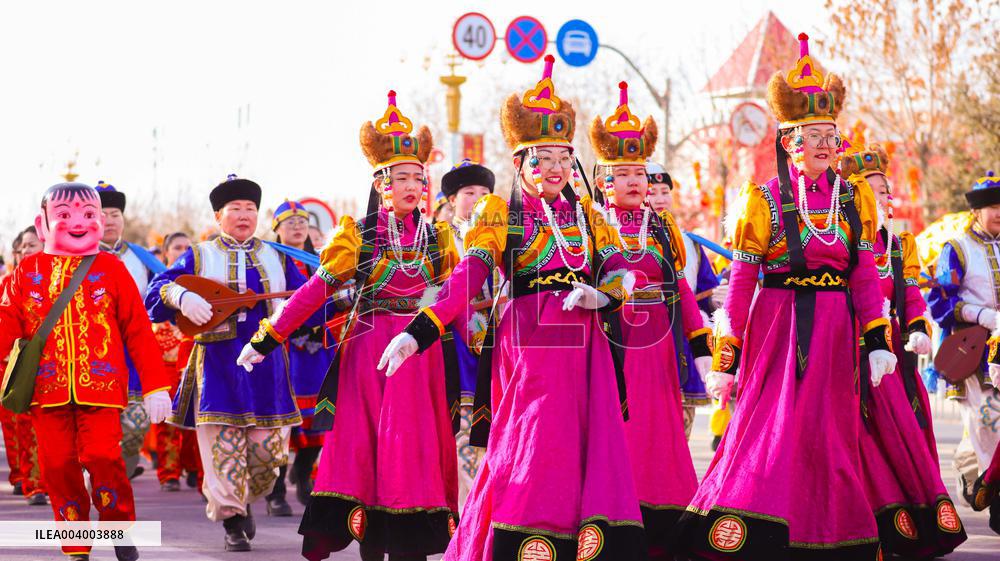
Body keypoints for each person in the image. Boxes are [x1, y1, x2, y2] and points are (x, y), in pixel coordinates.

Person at [379, 55, 647, 561]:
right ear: (522, 162)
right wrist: (419, 331)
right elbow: (467, 278)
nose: (556, 169)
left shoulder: (589, 214)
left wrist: (605, 294)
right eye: (544, 158)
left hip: (586, 344)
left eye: (564, 159)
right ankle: (523, 543)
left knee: (590, 448)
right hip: (531, 346)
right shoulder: (501, 212)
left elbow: (617, 270)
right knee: (535, 445)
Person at [674, 34, 897, 560]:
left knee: (832, 435)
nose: (823, 144)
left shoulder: (853, 197)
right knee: (771, 432)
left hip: (837, 331)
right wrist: (727, 358)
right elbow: (741, 286)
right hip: (779, 330)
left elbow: (864, 277)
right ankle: (754, 531)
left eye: (830, 134)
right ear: (789, 141)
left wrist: (878, 339)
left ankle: (828, 535)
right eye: (811, 135)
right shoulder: (764, 200)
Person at [238, 91, 460, 561]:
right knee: (366, 450)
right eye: (401, 178)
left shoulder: (439, 238)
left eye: (418, 178)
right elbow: (315, 291)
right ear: (381, 183)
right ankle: (370, 539)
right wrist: (267, 337)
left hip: (421, 355)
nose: (411, 186)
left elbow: (455, 298)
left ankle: (410, 542)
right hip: (369, 353)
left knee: (413, 450)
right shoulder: (355, 235)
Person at [0, 182, 172, 561]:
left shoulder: (112, 268)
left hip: (103, 388)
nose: (78, 222)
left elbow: (138, 331)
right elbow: (5, 332)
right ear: (42, 223)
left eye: (88, 215)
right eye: (65, 216)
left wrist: (157, 386)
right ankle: (76, 542)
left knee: (102, 458)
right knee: (58, 465)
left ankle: (119, 525)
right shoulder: (25, 273)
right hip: (45, 391)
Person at [146, 175, 305, 552]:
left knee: (268, 455)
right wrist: (182, 296)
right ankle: (232, 519)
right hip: (218, 368)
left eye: (250, 208)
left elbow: (310, 299)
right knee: (223, 453)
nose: (244, 214)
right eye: (235, 209)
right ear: (219, 216)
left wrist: (324, 301)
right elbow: (158, 290)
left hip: (268, 369)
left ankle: (249, 497)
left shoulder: (277, 254)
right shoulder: (200, 255)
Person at [591, 81, 712, 559]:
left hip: (659, 352)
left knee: (661, 442)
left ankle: (662, 534)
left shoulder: (661, 227)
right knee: (617, 439)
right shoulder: (589, 224)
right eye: (623, 174)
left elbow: (681, 289)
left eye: (639, 172)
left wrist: (703, 351)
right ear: (604, 180)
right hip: (612, 348)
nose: (634, 182)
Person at [842, 142, 966, 556]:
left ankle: (904, 524)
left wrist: (917, 328)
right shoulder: (834, 244)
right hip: (843, 355)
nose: (880, 199)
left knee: (897, 439)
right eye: (870, 191)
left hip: (891, 358)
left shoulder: (899, 245)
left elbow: (911, 295)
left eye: (883, 191)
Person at [929, 169, 1000, 506]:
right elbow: (940, 300)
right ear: (976, 211)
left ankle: (971, 473)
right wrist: (981, 314)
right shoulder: (956, 248)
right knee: (988, 419)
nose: (998, 211)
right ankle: (994, 496)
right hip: (975, 351)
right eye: (991, 206)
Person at [645, 161, 726, 443]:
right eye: (651, 190)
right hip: (641, 337)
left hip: (682, 340)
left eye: (664, 191)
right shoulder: (616, 231)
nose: (658, 198)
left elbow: (705, 293)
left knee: (678, 435)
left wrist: (718, 301)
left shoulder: (689, 243)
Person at [266, 200, 335, 512]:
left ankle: (304, 474)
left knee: (320, 418)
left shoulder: (321, 262)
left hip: (316, 351)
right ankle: (276, 489)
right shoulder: (269, 261)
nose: (297, 227)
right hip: (280, 350)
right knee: (281, 423)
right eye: (289, 222)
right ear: (277, 228)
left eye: (302, 221)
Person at [438, 159, 495, 513]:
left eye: (485, 193)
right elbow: (430, 295)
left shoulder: (507, 235)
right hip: (457, 346)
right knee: (465, 433)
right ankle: (468, 514)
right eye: (469, 193)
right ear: (451, 201)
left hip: (501, 337)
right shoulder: (438, 239)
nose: (477, 199)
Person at [96, 181, 158, 480]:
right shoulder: (76, 258)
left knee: (136, 424)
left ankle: (123, 462)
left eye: (115, 214)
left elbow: (164, 292)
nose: (109, 220)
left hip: (133, 354)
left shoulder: (142, 258)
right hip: (92, 354)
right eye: (102, 213)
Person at [148, 232, 204, 493]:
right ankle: (169, 473)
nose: (182, 251)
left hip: (195, 358)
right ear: (166, 252)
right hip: (163, 362)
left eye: (186, 247)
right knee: (166, 420)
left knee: (198, 418)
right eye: (177, 247)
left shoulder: (202, 284)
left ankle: (195, 468)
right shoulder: (157, 284)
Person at [0, 226, 47, 505]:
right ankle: (31, 482)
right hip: (15, 366)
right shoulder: (8, 284)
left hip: (52, 365)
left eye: (34, 245)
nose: (28, 251)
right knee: (20, 425)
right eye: (24, 247)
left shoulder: (58, 280)